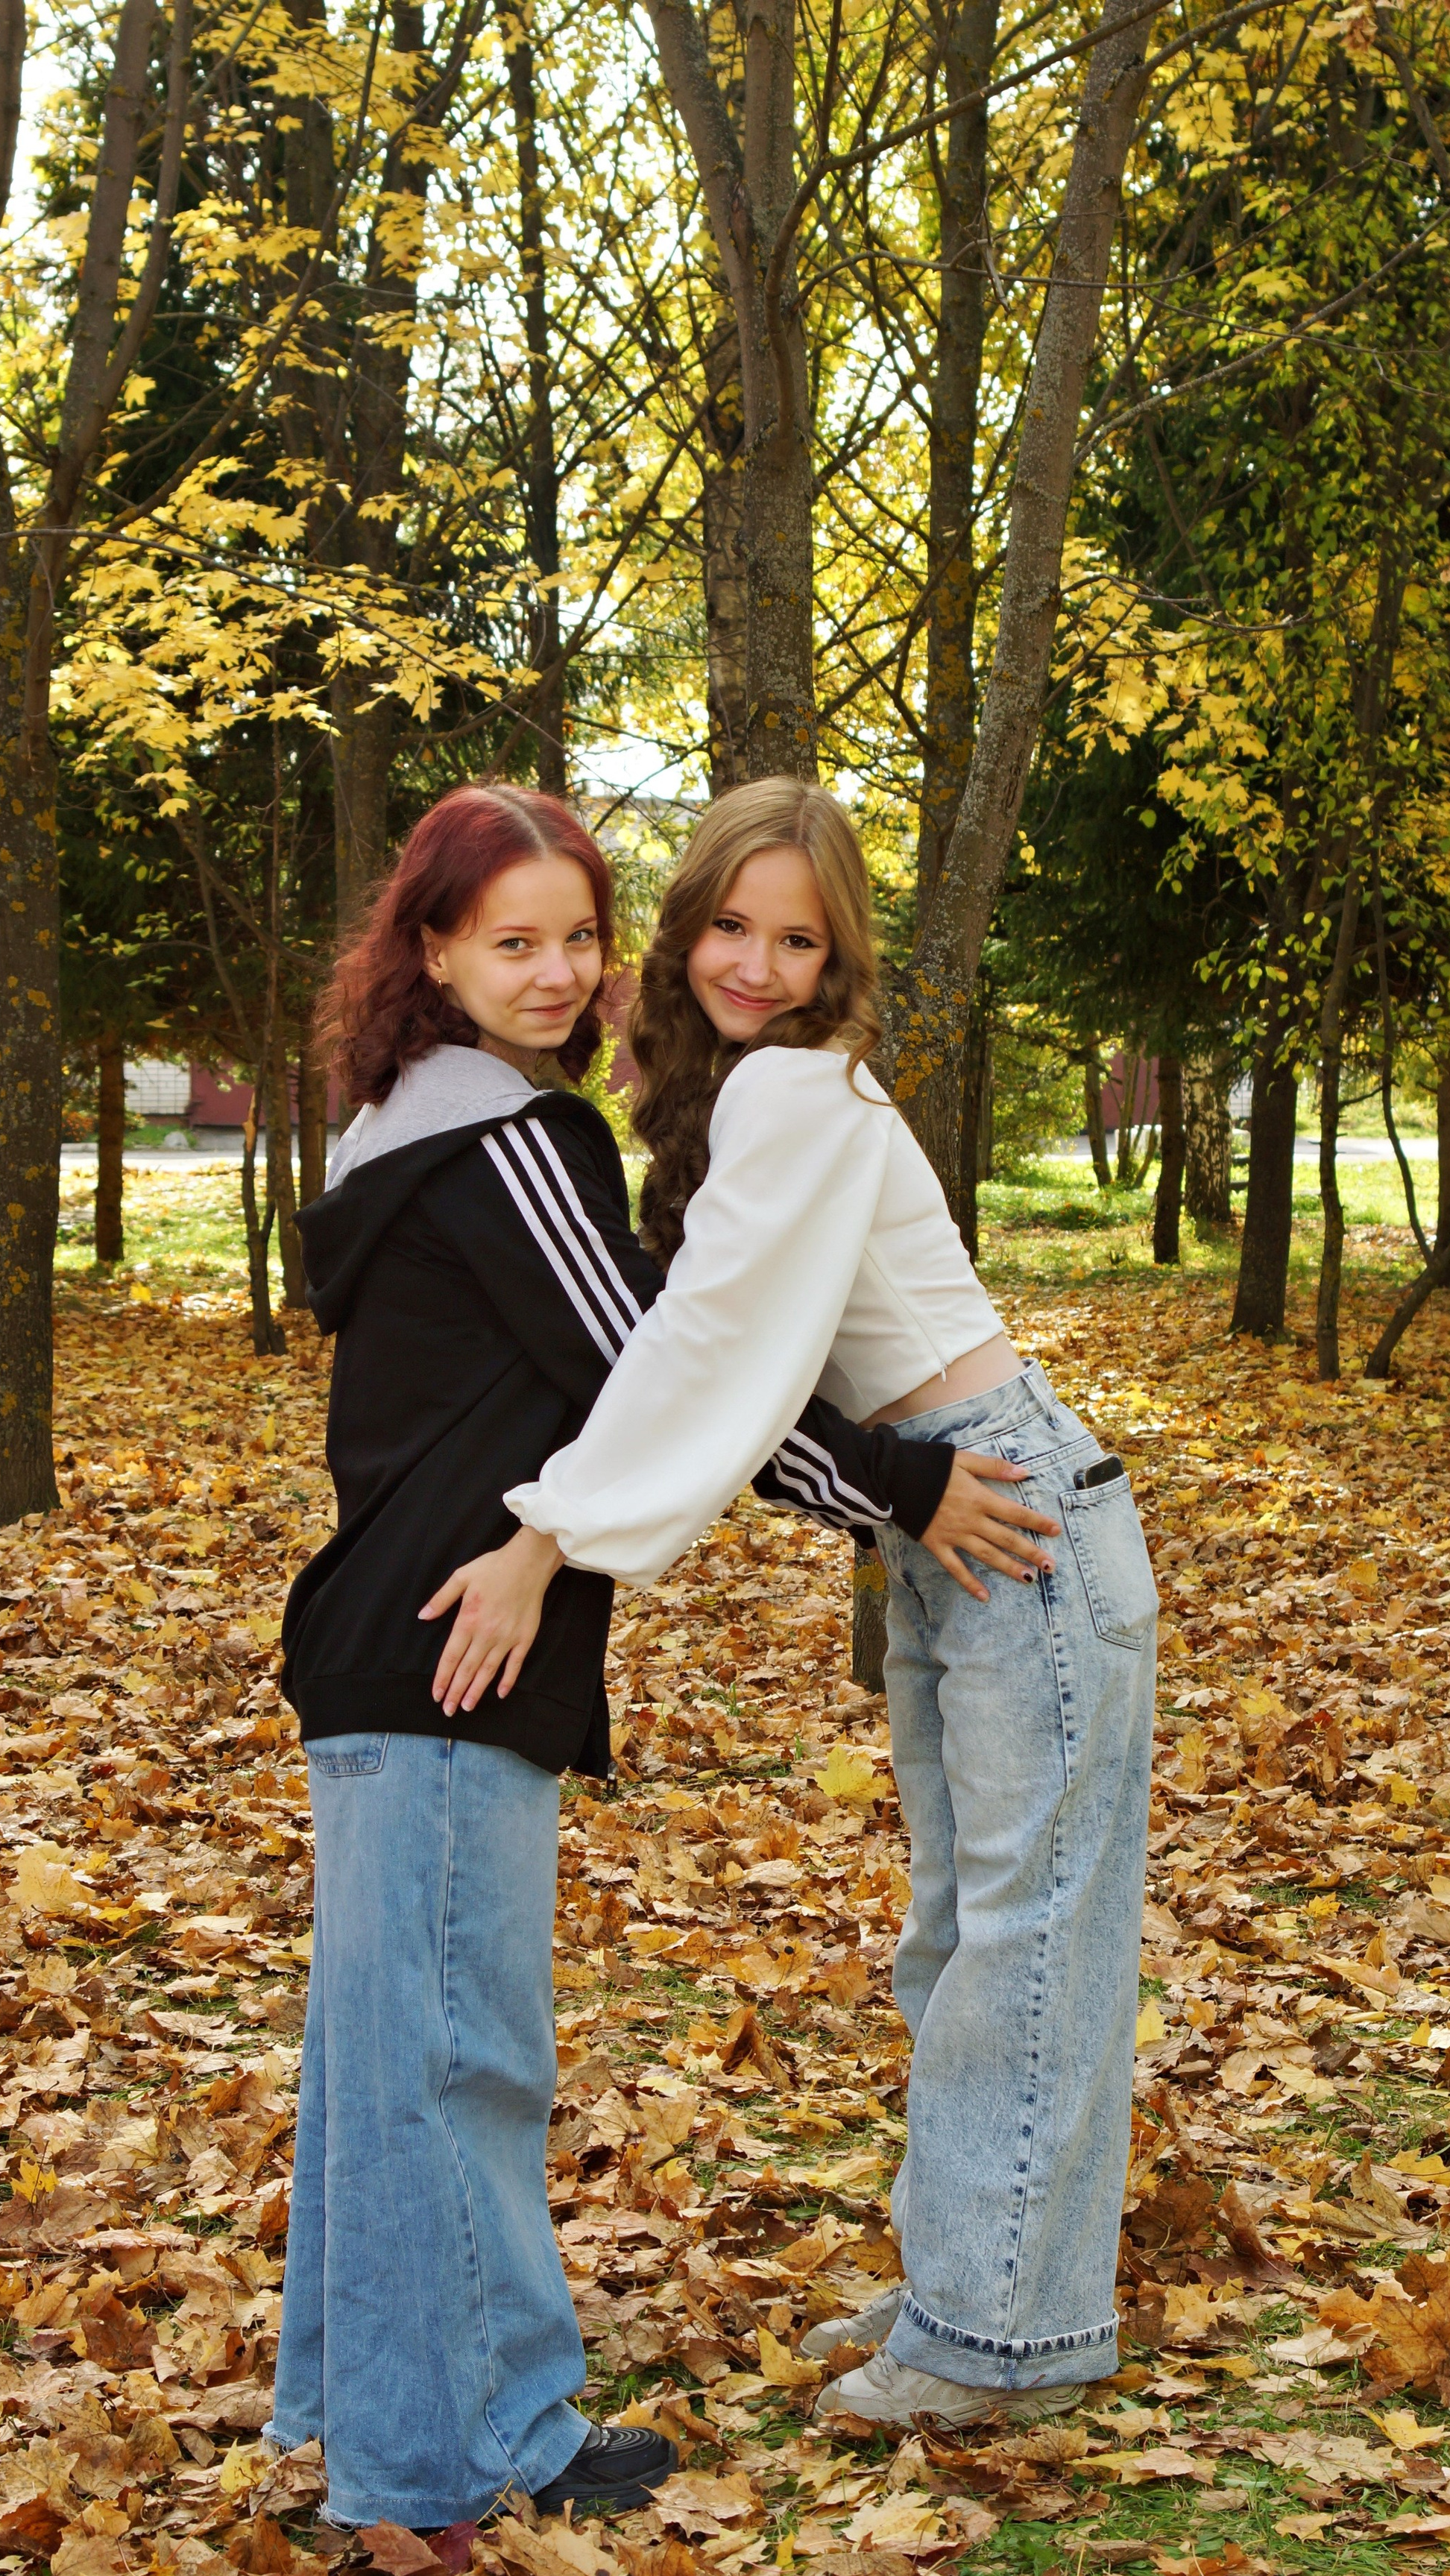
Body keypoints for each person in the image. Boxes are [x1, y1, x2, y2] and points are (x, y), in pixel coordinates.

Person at [273, 780, 1056, 2532]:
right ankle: (463, 2456)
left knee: (387, 2054)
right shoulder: (513, 1146)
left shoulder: (393, 1120)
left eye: (576, 941)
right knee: (459, 2054)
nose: (557, 978)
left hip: (382, 1644)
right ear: (434, 949)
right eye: (512, 944)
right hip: (452, 1642)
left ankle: (384, 2425)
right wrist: (903, 1483)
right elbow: (661, 1371)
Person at [424, 777, 1157, 2436]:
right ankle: (970, 2282)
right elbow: (708, 1344)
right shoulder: (743, 1096)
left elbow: (712, 1361)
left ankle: (998, 2343)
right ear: (684, 929)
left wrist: (553, 1533)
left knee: (1021, 1944)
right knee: (962, 1941)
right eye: (729, 927)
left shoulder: (799, 1094)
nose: (752, 964)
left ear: (835, 963)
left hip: (1011, 1507)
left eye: (795, 939)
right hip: (954, 1517)